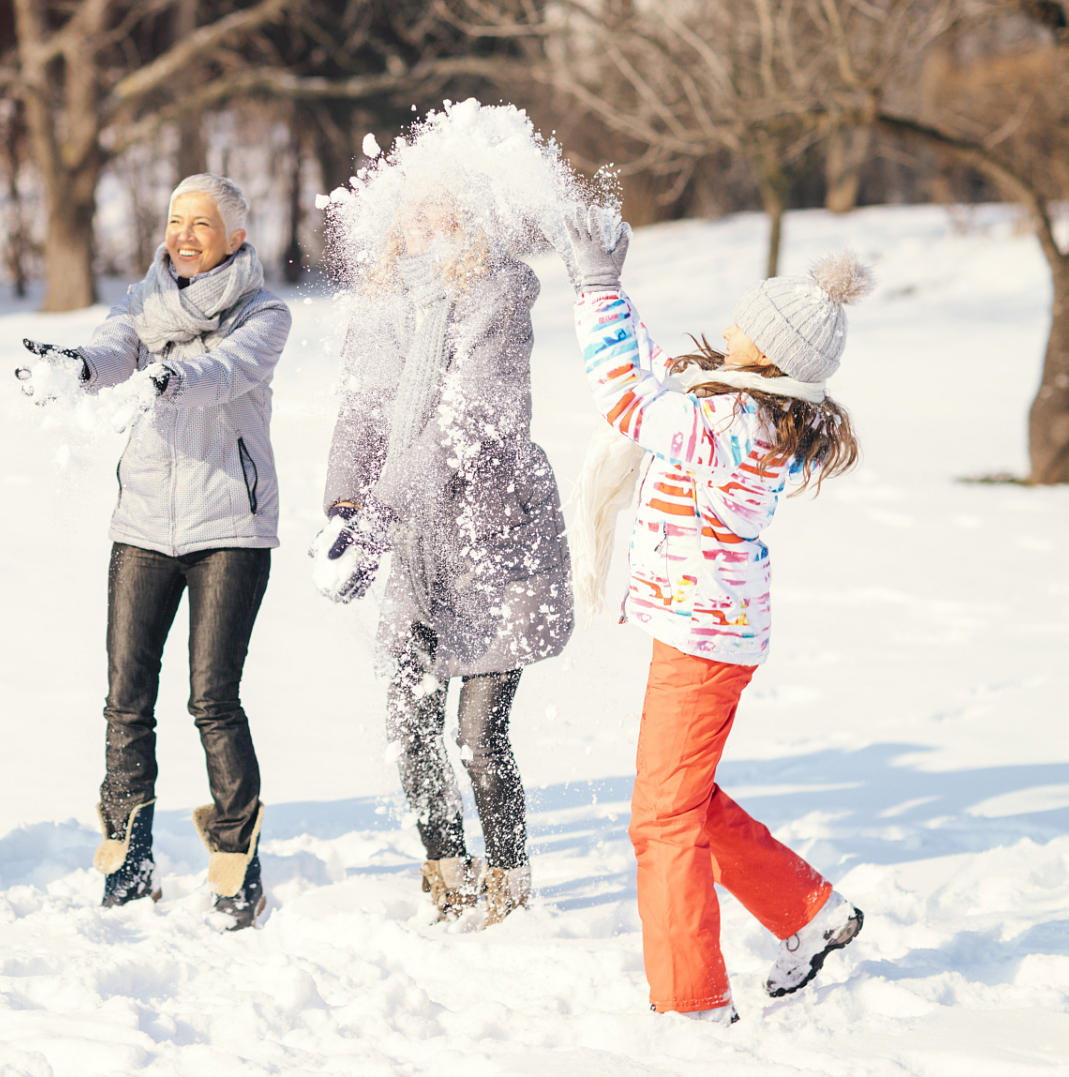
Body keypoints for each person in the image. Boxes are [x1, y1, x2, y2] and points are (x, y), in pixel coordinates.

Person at [563, 210, 869, 1023]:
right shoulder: (736, 405)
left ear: (765, 352)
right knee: (684, 797)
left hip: (704, 640)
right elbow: (653, 363)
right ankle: (810, 911)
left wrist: (593, 290)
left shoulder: (731, 423)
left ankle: (692, 1004)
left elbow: (629, 401)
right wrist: (615, 292)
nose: (727, 324)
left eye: (744, 320)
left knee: (661, 818)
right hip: (709, 631)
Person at [18, 174, 289, 930]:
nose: (186, 232)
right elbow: (114, 347)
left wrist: (166, 376)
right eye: (176, 220)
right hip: (142, 525)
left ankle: (238, 866)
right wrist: (75, 367)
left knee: (212, 700)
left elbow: (224, 371)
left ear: (237, 237)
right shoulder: (141, 304)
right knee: (125, 701)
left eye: (203, 222)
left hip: (230, 527)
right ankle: (128, 860)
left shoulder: (264, 313)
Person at [313, 188, 573, 926]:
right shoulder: (383, 300)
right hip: (418, 545)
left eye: (448, 207)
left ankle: (510, 884)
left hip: (496, 545)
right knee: (409, 719)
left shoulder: (498, 294)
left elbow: (470, 423)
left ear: (478, 214)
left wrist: (379, 514)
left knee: (477, 736)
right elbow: (363, 412)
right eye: (416, 208)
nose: (428, 221)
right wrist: (345, 511)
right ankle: (447, 870)